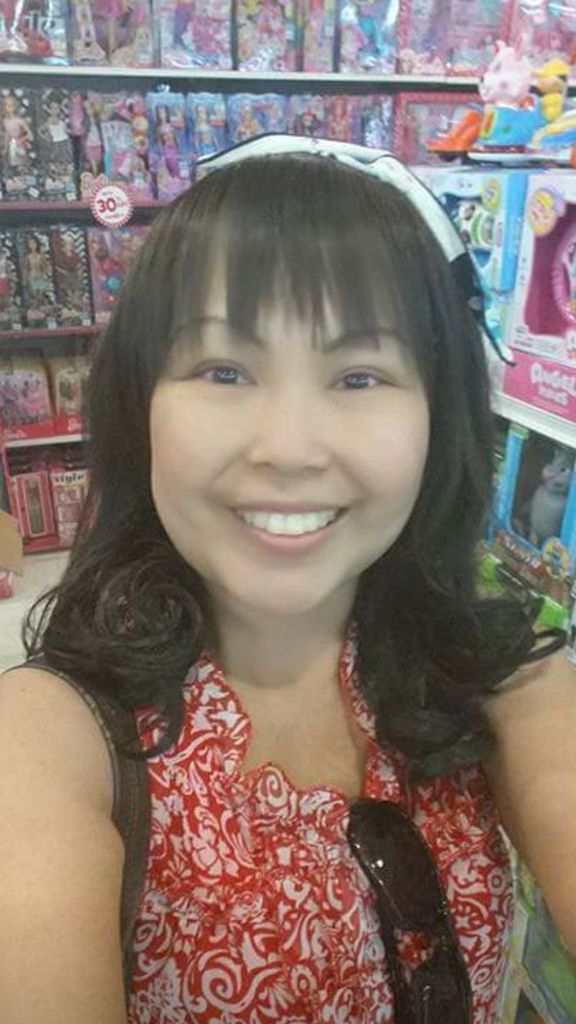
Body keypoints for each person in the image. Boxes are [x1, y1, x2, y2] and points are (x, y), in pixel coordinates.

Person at [1, 137, 575, 1024]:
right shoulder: (50, 740)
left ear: (441, 416)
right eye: (224, 370)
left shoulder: (499, 678)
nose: (289, 449)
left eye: (359, 375)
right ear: (139, 405)